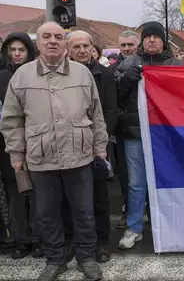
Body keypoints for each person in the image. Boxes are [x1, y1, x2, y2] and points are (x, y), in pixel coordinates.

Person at [1, 21, 108, 281]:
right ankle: (55, 259)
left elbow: (96, 113)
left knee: (83, 211)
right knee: (47, 214)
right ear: (38, 43)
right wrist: (16, 155)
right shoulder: (22, 76)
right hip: (41, 159)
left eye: (58, 37)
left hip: (79, 157)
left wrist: (100, 146)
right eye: (46, 36)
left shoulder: (82, 74)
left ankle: (86, 257)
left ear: (65, 43)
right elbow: (12, 120)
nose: (52, 41)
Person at [115, 21, 183, 250]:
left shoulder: (176, 65)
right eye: (147, 37)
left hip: (166, 134)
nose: (151, 40)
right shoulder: (128, 64)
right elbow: (115, 99)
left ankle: (169, 224)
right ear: (142, 41)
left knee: (169, 179)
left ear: (163, 40)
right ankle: (134, 227)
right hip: (135, 133)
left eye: (156, 36)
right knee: (136, 184)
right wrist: (125, 81)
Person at [66, 31, 118, 263]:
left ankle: (101, 243)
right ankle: (74, 241)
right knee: (70, 197)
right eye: (76, 46)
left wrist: (100, 140)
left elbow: (110, 110)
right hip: (68, 145)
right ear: (68, 50)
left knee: (99, 197)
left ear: (91, 48)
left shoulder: (104, 74)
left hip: (96, 145)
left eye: (85, 46)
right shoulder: (61, 75)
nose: (81, 50)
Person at [0, 32, 42, 259]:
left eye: (21, 50)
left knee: (37, 193)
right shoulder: (1, 77)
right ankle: (20, 239)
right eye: (13, 50)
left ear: (29, 52)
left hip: (36, 141)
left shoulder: (38, 75)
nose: (16, 54)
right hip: (8, 144)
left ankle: (37, 238)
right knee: (16, 192)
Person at [109, 30, 140, 230]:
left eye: (130, 45)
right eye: (123, 45)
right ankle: (128, 210)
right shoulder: (112, 70)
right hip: (123, 129)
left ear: (137, 45)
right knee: (126, 176)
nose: (127, 49)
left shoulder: (144, 64)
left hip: (146, 128)